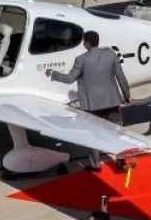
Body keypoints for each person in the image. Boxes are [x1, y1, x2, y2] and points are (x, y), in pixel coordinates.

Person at [47, 31, 131, 170]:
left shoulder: (81, 59)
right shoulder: (111, 54)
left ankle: (96, 165)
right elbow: (121, 77)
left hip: (91, 106)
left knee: (93, 135)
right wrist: (127, 96)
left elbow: (69, 79)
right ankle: (121, 161)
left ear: (87, 43)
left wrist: (53, 74)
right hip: (112, 102)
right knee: (117, 132)